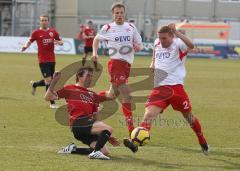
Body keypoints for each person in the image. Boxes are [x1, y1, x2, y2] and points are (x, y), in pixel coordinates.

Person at [124, 24, 209, 155]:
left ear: (171, 36)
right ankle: (134, 143)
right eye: (160, 38)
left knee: (189, 117)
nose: (162, 41)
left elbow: (191, 46)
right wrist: (152, 63)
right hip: (159, 88)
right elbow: (155, 55)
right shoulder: (157, 42)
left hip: (176, 89)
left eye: (165, 38)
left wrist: (177, 33)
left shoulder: (178, 43)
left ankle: (202, 141)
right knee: (149, 115)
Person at [45, 67, 120, 160]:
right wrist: (54, 81)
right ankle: (95, 153)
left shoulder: (92, 94)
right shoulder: (69, 89)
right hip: (78, 122)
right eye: (88, 75)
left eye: (91, 76)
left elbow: (109, 99)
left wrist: (106, 134)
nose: (90, 78)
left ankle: (73, 149)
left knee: (104, 151)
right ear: (79, 77)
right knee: (108, 128)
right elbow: (48, 97)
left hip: (86, 126)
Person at [92, 2, 143, 137]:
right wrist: (94, 53)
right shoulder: (108, 28)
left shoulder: (131, 27)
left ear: (124, 13)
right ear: (113, 14)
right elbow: (96, 40)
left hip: (127, 65)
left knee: (111, 96)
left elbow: (140, 44)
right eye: (117, 13)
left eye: (121, 13)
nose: (119, 15)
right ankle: (132, 131)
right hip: (115, 64)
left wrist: (138, 47)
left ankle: (92, 99)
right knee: (126, 95)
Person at [21, 14, 63, 109]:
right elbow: (30, 41)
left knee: (50, 80)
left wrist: (56, 42)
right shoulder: (36, 32)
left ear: (48, 21)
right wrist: (25, 47)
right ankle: (52, 103)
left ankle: (35, 84)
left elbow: (61, 42)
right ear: (40, 22)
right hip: (42, 60)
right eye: (42, 20)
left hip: (52, 59)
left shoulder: (53, 32)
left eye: (45, 20)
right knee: (49, 81)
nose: (44, 22)